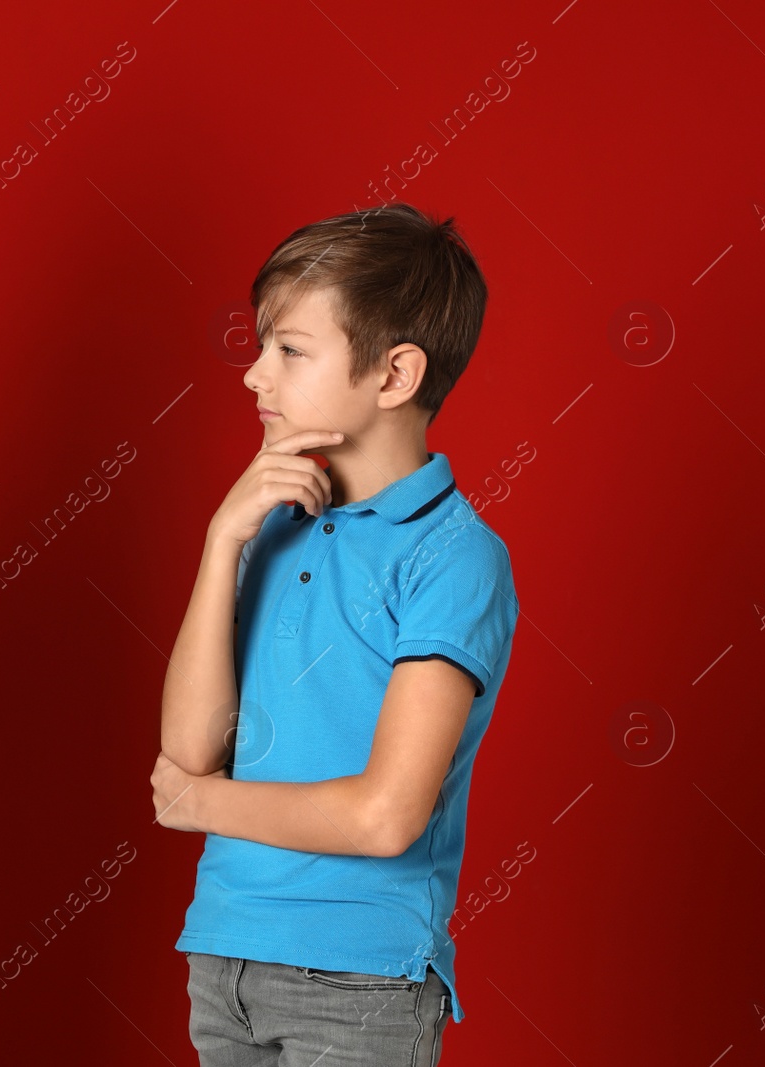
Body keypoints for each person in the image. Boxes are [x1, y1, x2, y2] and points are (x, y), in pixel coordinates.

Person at [152, 202, 518, 1066]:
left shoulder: (454, 557)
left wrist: (203, 805)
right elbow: (189, 746)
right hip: (225, 955)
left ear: (393, 376)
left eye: (288, 350)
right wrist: (221, 544)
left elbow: (387, 815)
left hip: (360, 978)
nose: (253, 376)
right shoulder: (272, 526)